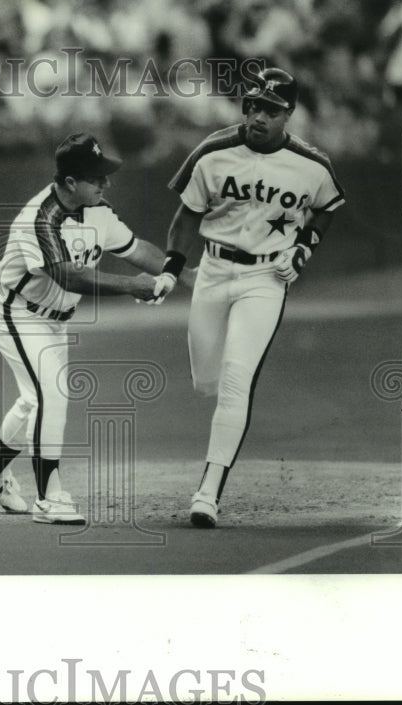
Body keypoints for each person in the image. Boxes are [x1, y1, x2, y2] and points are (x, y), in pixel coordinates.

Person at [154, 67, 345, 528]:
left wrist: (303, 249)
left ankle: (208, 491)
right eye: (253, 105)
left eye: (271, 109)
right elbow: (186, 216)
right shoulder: (214, 151)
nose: (259, 115)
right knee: (206, 378)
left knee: (237, 380)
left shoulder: (312, 164)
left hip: (266, 278)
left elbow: (326, 210)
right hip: (214, 271)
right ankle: (222, 406)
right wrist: (170, 268)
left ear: (289, 115)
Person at [0, 133, 167, 524]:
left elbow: (138, 249)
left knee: (33, 400)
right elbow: (70, 278)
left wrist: (182, 274)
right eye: (97, 177)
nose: (105, 183)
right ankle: (49, 498)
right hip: (18, 313)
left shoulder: (98, 211)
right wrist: (133, 287)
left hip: (54, 322)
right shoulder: (39, 217)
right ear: (71, 182)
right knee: (52, 394)